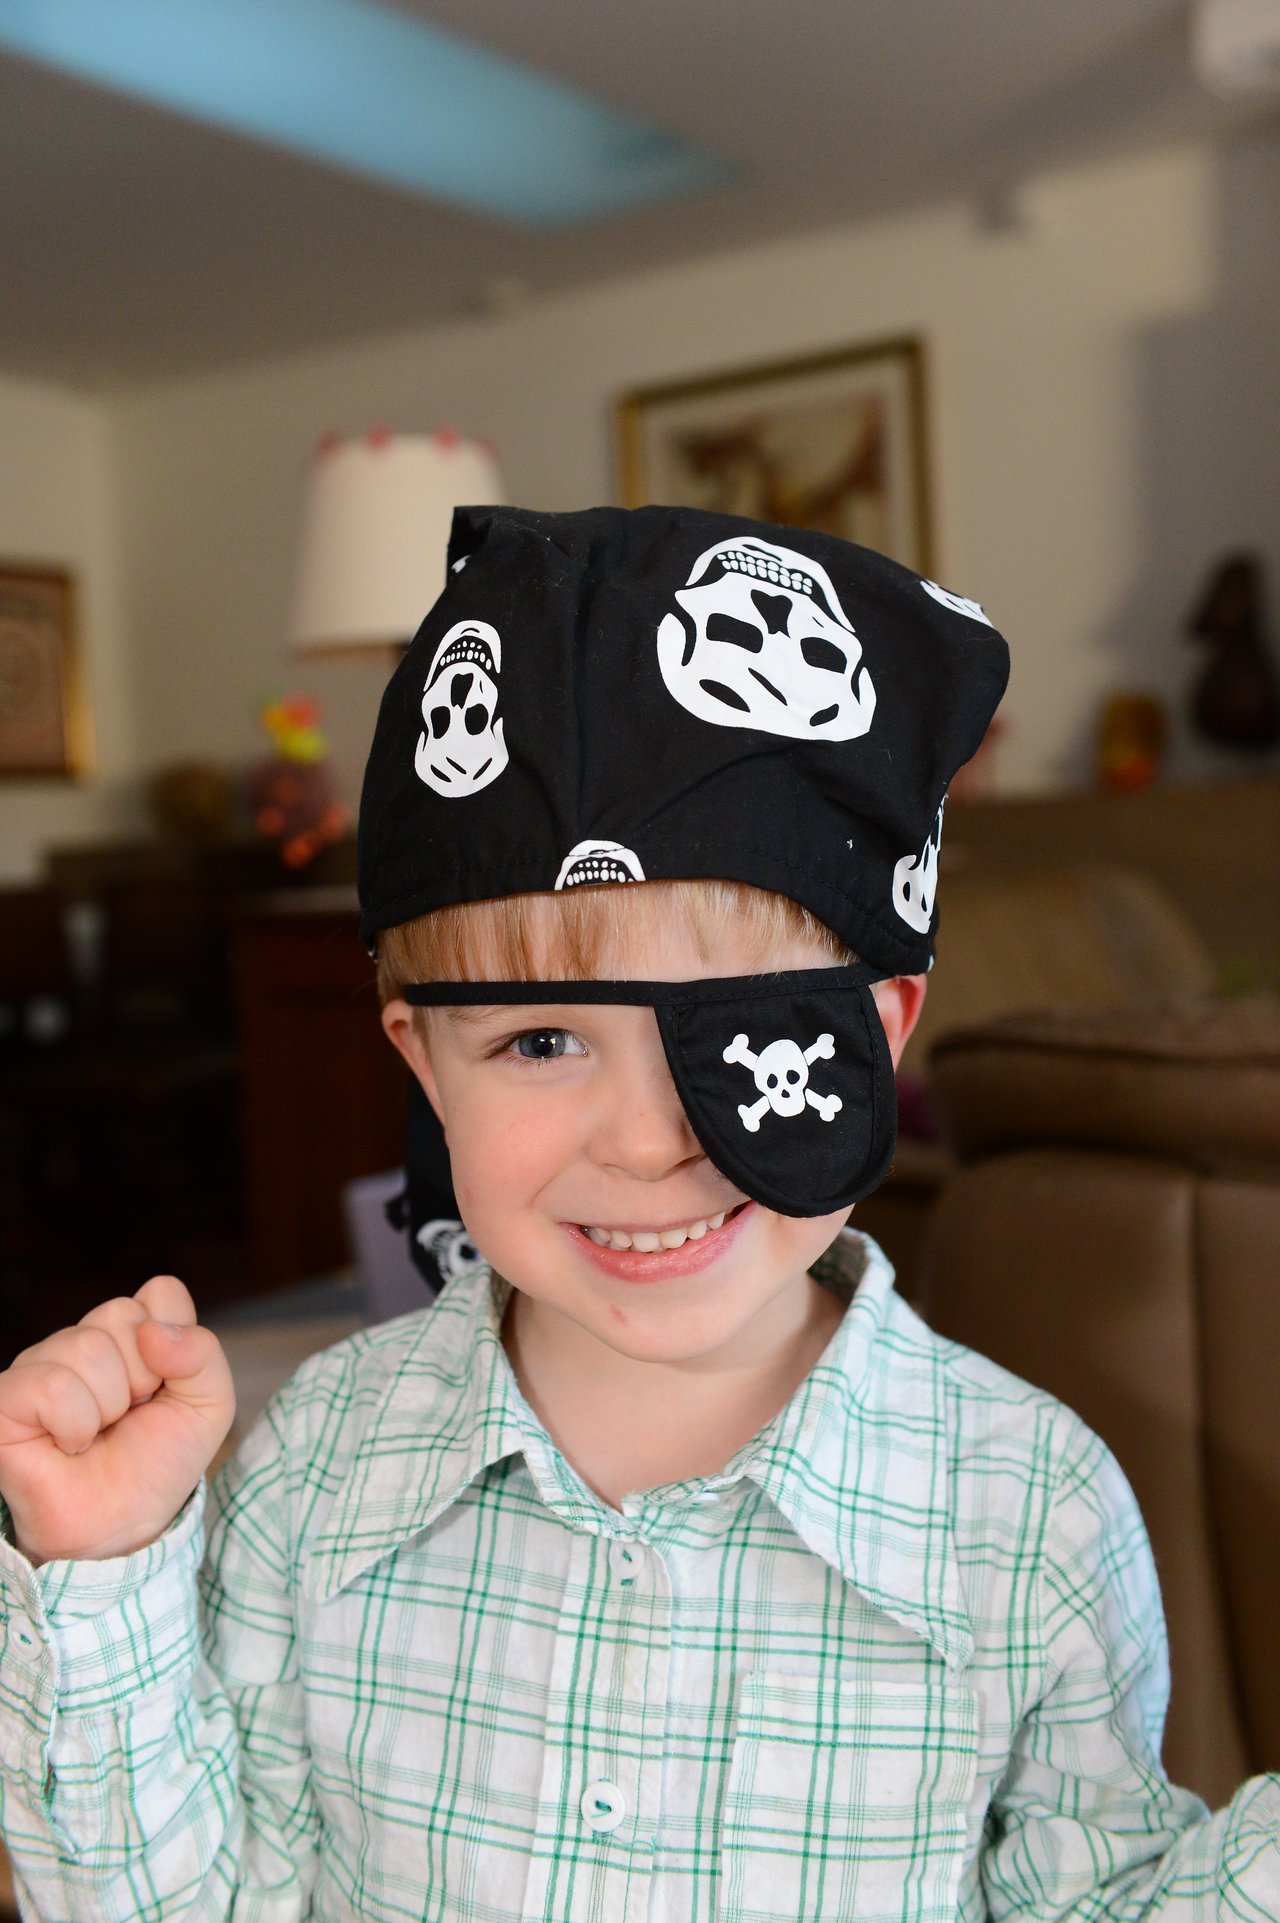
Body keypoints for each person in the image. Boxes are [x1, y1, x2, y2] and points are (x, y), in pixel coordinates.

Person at [0, 504, 1275, 1922]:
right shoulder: (314, 1469)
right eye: (540, 1043)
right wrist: (101, 1566)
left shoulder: (1031, 1514)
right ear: (420, 1058)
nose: (649, 1141)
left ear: (885, 1029)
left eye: (742, 1037)